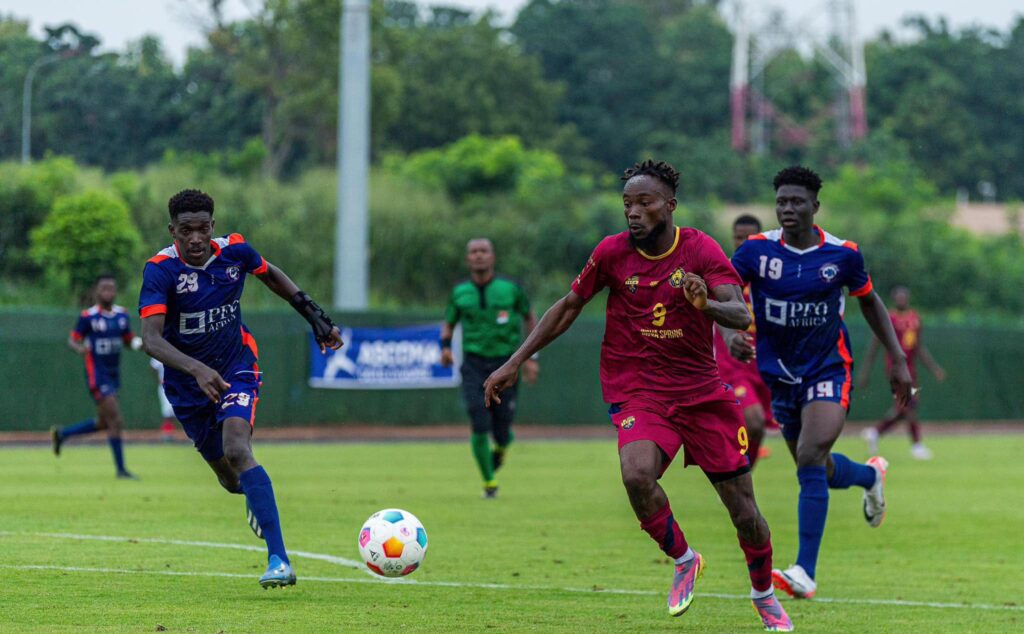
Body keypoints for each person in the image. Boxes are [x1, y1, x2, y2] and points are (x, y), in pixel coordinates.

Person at [484, 160, 793, 631]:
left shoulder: (700, 248)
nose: (633, 211)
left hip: (703, 393)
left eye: (644, 202)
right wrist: (515, 360)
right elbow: (568, 307)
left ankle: (764, 594)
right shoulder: (611, 254)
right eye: (627, 202)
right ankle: (685, 558)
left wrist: (704, 302)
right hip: (640, 392)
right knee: (636, 476)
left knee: (744, 512)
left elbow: (738, 312)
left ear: (669, 205)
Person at [138, 189, 342, 588]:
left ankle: (279, 560)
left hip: (236, 367)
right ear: (172, 231)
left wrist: (311, 312)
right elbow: (151, 339)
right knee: (230, 478)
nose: (195, 238)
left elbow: (270, 274)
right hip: (187, 385)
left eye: (202, 229)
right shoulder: (160, 270)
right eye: (186, 231)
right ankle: (252, 494)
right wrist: (196, 369)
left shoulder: (234, 251)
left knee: (237, 448)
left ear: (212, 226)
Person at [727, 166, 913, 600]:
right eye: (781, 202)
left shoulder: (842, 255)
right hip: (780, 376)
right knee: (817, 469)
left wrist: (898, 359)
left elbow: (870, 303)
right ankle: (868, 477)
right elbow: (726, 293)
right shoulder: (755, 253)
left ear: (815, 206)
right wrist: (731, 334)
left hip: (829, 368)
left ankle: (804, 572)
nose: (788, 208)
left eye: (796, 201)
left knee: (810, 456)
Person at [440, 238, 538, 499]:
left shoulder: (510, 289)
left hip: (506, 365)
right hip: (473, 365)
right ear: (468, 259)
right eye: (473, 252)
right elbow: (449, 323)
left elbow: (530, 318)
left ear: (492, 257)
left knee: (502, 431)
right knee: (479, 422)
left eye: (483, 251)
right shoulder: (460, 292)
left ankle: (501, 448)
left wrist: (531, 358)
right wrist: (446, 347)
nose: (479, 256)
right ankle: (489, 483)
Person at [51, 275, 141, 479]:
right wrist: (79, 348)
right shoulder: (88, 317)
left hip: (113, 373)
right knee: (116, 420)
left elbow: (128, 339)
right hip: (97, 374)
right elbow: (73, 340)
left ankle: (62, 434)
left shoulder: (122, 315)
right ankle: (121, 470)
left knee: (103, 422)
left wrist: (138, 343)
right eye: (103, 289)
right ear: (96, 292)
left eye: (111, 288)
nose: (107, 292)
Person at [713, 215, 777, 468]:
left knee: (759, 429)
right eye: (739, 238)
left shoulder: (770, 278)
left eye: (749, 239)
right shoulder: (723, 275)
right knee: (754, 421)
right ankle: (737, 478)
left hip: (764, 367)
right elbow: (714, 311)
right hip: (733, 367)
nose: (743, 243)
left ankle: (741, 479)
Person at [857, 286, 946, 459]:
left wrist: (934, 368)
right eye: (898, 297)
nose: (901, 300)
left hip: (910, 368)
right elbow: (875, 345)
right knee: (909, 405)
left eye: (904, 297)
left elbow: (918, 347)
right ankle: (917, 446)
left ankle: (875, 433)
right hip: (895, 368)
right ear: (893, 300)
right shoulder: (887, 317)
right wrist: (865, 370)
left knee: (905, 407)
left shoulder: (915, 318)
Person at [149, 358, 178, 442]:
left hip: (179, 385)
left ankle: (191, 434)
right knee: (167, 411)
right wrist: (159, 377)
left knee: (184, 409)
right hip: (165, 387)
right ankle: (168, 433)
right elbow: (153, 366)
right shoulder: (160, 352)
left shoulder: (178, 350)